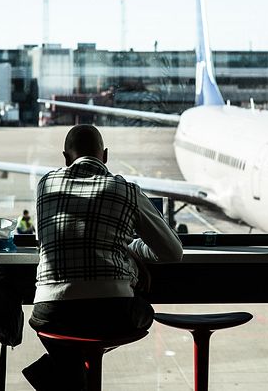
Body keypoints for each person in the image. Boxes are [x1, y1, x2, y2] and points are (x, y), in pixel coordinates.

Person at [23, 124, 183, 390]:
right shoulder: (127, 191)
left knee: (69, 352)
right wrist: (132, 249)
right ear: (105, 155)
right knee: (142, 312)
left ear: (65, 157)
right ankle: (58, 371)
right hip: (113, 315)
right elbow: (172, 252)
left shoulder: (46, 186)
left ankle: (62, 370)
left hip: (49, 314)